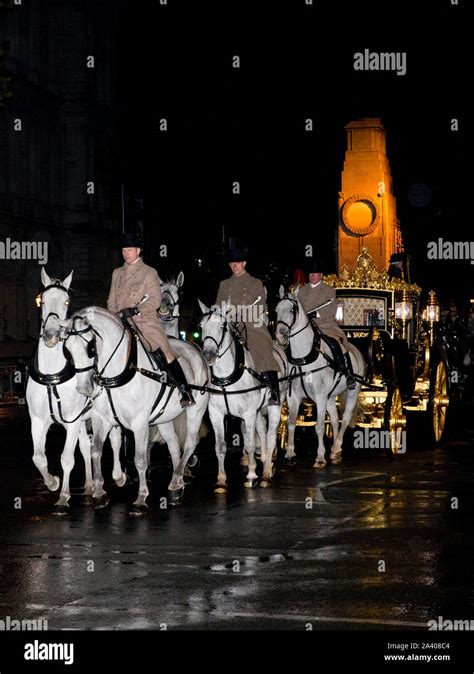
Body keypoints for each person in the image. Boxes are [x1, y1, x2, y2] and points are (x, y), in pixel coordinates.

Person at [107, 232, 195, 407]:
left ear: (138, 251)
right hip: (120, 321)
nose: (126, 253)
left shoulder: (149, 272)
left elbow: (155, 300)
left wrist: (135, 309)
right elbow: (111, 300)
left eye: (129, 249)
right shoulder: (116, 273)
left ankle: (185, 391)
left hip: (143, 321)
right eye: (124, 250)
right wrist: (114, 315)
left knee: (164, 350)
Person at [214, 248, 280, 404]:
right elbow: (218, 305)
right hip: (230, 324)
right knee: (213, 342)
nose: (234, 266)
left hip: (250, 324)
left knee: (261, 344)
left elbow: (260, 303)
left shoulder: (254, 283)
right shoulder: (224, 284)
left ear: (244, 263)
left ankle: (274, 390)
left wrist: (243, 312)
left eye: (237, 263)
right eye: (232, 264)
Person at [298, 258, 356, 389]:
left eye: (315, 274)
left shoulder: (329, 290)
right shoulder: (302, 290)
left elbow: (331, 309)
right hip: (306, 327)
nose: (312, 276)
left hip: (325, 325)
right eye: (311, 274)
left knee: (337, 343)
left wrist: (316, 314)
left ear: (321, 275)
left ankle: (348, 374)